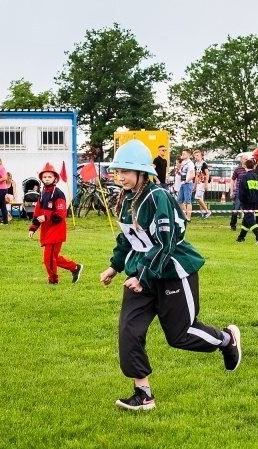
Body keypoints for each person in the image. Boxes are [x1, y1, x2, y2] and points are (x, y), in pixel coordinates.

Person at [99, 140, 242, 411]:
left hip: (172, 272)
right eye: (118, 171)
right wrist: (114, 267)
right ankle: (144, 395)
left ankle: (227, 340)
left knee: (180, 336)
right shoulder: (126, 199)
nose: (121, 176)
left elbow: (166, 243)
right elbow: (128, 237)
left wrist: (143, 276)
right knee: (129, 331)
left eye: (126, 171)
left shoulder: (158, 197)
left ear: (142, 172)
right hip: (140, 274)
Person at [27, 163, 82, 285]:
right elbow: (37, 213)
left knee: (48, 257)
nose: (47, 179)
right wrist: (32, 228)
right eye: (45, 177)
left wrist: (46, 217)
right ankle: (74, 267)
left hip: (56, 230)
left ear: (55, 178)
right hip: (46, 230)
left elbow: (61, 214)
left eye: (49, 177)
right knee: (53, 257)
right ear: (41, 178)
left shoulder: (58, 193)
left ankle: (53, 280)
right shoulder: (42, 194)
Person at [235, 159, 258, 245]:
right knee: (246, 219)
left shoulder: (244, 177)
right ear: (254, 166)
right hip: (254, 202)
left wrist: (242, 201)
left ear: (245, 166)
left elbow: (242, 191)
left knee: (251, 220)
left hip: (246, 202)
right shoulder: (256, 177)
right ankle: (241, 237)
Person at [230, 155, 248, 231]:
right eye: (245, 159)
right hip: (238, 192)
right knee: (236, 209)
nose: (246, 160)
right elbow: (232, 179)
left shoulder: (250, 169)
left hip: (247, 193)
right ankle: (233, 225)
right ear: (241, 160)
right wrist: (232, 191)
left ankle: (245, 225)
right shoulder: (237, 169)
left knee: (247, 210)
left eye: (247, 159)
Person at [177, 149, 195, 220]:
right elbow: (182, 172)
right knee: (179, 200)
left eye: (184, 153)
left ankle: (188, 217)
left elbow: (193, 175)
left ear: (188, 154)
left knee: (188, 201)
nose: (182, 155)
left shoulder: (190, 164)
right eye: (182, 153)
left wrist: (186, 181)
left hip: (187, 183)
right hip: (182, 183)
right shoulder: (183, 162)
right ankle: (183, 215)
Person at [193, 149, 210, 219]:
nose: (196, 157)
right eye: (195, 155)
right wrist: (194, 185)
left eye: (197, 155)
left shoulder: (203, 164)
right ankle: (202, 213)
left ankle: (207, 211)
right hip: (198, 182)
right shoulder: (196, 164)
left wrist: (206, 184)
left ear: (201, 156)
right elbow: (196, 175)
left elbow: (207, 174)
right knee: (200, 199)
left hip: (203, 182)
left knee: (197, 197)